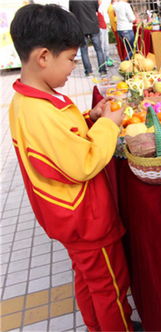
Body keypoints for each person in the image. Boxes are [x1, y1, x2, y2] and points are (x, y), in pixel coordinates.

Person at [9, 4, 134, 331]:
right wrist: (108, 125)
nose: (72, 68)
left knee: (89, 279)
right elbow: (84, 162)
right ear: (44, 57)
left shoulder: (27, 100)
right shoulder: (40, 112)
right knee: (111, 287)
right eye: (70, 59)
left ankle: (96, 326)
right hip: (87, 220)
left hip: (68, 220)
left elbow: (57, 142)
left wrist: (89, 118)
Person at [69, 0, 107, 77]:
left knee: (84, 51)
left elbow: (71, 11)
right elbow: (97, 9)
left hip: (81, 28)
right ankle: (102, 70)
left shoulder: (73, 1)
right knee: (99, 50)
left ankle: (88, 72)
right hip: (93, 26)